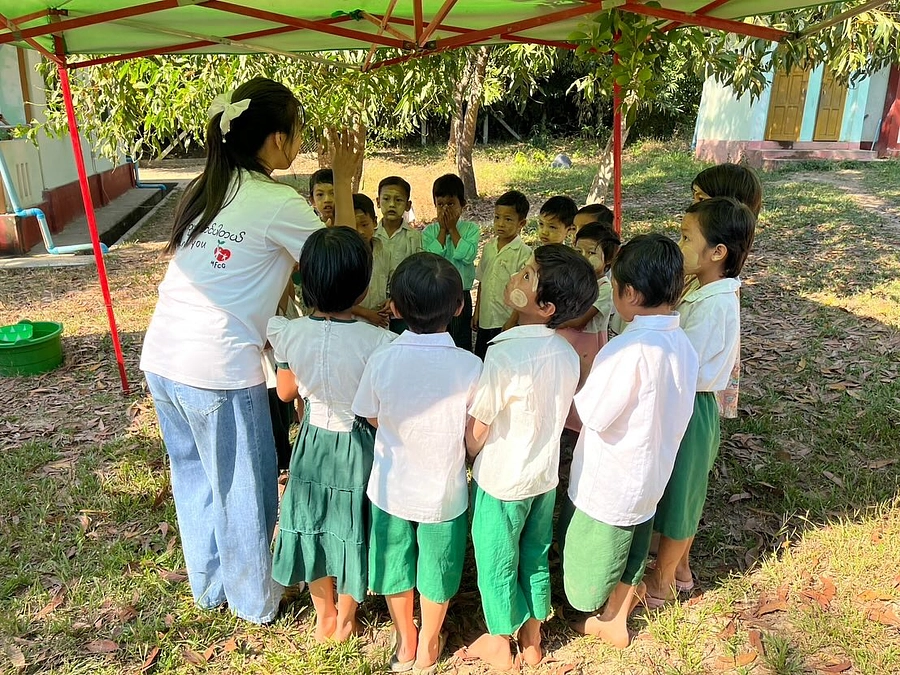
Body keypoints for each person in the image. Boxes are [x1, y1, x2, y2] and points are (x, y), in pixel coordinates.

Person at [140, 77, 361, 624]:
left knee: (194, 476)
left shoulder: (206, 186)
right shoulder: (275, 200)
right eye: (298, 132)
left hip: (164, 359)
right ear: (277, 140)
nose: (301, 142)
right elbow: (343, 264)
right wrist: (344, 178)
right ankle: (254, 599)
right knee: (243, 487)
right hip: (215, 368)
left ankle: (211, 586)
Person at [462, 245, 597, 670]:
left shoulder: (504, 352)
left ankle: (500, 642)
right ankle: (533, 639)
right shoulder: (565, 353)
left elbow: (480, 424)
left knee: (496, 559)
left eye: (526, 276)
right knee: (534, 552)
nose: (516, 276)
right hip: (542, 478)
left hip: (502, 480)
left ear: (545, 306)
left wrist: (468, 448)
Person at [562, 234, 699, 648]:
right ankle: (617, 615)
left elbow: (594, 414)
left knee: (590, 566)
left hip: (609, 483)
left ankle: (593, 607)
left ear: (630, 294)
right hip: (651, 476)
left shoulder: (625, 351)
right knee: (636, 547)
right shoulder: (683, 345)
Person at [353, 253, 482, 674]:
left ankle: (405, 642)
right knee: (438, 567)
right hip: (444, 491)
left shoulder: (382, 359)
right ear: (460, 306)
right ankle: (429, 643)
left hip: (391, 485)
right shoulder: (470, 366)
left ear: (394, 308)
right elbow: (472, 429)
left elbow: (370, 415)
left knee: (394, 562)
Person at [268, 226, 395, 643]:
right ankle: (346, 617)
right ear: (362, 291)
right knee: (351, 522)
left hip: (312, 441)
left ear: (305, 281)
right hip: (359, 443)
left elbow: (286, 392)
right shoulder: (379, 341)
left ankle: (323, 614)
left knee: (312, 520)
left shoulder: (289, 332)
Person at [643, 198, 756, 608]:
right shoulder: (702, 289)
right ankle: (680, 569)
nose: (680, 244)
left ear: (717, 253)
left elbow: (686, 363)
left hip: (693, 406)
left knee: (683, 496)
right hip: (684, 402)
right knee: (676, 488)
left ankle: (663, 580)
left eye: (687, 237)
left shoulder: (715, 302)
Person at [691, 163, 762, 419]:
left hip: (696, 389)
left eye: (701, 198)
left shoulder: (718, 291)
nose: (692, 205)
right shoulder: (710, 263)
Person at [472, 190, 532, 359]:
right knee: (483, 358)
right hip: (485, 318)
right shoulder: (489, 248)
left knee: (504, 361)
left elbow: (525, 292)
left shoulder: (524, 253)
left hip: (506, 320)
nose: (500, 223)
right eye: (497, 217)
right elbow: (483, 281)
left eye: (508, 219)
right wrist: (477, 312)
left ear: (522, 223)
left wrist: (513, 320)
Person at [559, 224, 621, 387]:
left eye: (591, 253)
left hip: (587, 349)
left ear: (608, 259)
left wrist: (553, 320)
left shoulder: (604, 288)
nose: (583, 258)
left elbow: (580, 320)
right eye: (579, 252)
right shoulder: (572, 281)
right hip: (566, 346)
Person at [422, 174, 480, 351]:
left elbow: (468, 255)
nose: (445, 209)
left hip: (460, 293)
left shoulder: (471, 229)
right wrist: (442, 230)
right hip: (436, 293)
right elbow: (431, 258)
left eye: (451, 204)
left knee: (460, 339)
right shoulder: (429, 232)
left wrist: (453, 229)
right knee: (436, 336)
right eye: (440, 205)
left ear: (462, 205)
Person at [375, 176, 422, 334]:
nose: (392, 205)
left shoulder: (413, 237)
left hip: (402, 306)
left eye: (398, 200)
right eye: (386, 199)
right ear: (377, 201)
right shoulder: (371, 235)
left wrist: (397, 299)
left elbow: (415, 273)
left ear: (408, 205)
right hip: (373, 308)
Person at [351, 193, 392, 328]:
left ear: (374, 222)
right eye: (354, 226)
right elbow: (335, 299)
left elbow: (391, 284)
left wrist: (390, 301)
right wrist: (366, 313)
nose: (360, 231)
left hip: (380, 322)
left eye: (364, 224)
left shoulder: (384, 251)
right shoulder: (343, 257)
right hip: (352, 324)